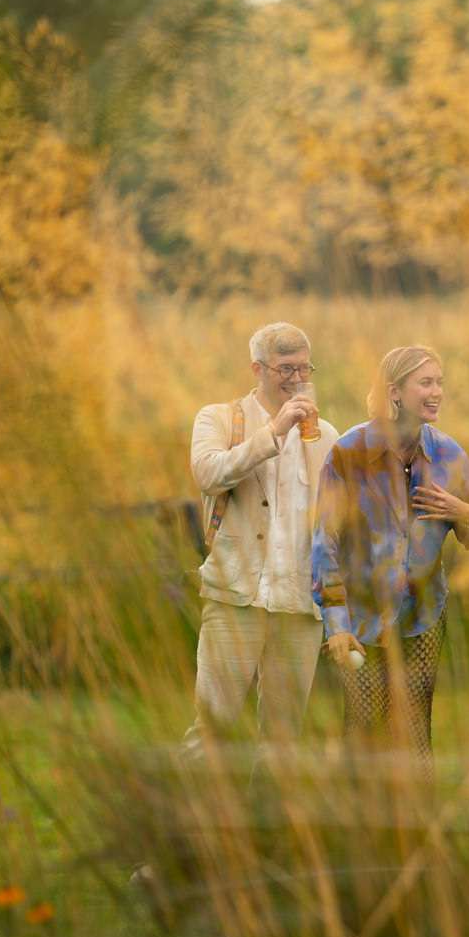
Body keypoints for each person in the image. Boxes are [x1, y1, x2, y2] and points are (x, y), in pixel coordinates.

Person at [312, 345, 469, 778]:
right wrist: (336, 622)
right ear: (394, 391)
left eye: (440, 382)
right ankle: (362, 829)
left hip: (423, 617)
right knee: (365, 731)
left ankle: (417, 829)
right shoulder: (349, 453)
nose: (437, 392)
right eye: (425, 383)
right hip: (362, 620)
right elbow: (323, 541)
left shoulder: (449, 455)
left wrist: (464, 513)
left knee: (414, 732)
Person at [183, 322, 339, 764]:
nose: (297, 378)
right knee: (212, 729)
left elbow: (336, 520)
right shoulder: (218, 418)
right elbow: (208, 473)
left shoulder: (326, 435)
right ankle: (178, 826)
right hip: (236, 598)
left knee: (284, 742)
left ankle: (267, 831)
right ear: (258, 368)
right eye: (285, 368)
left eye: (305, 368)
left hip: (299, 606)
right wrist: (273, 432)